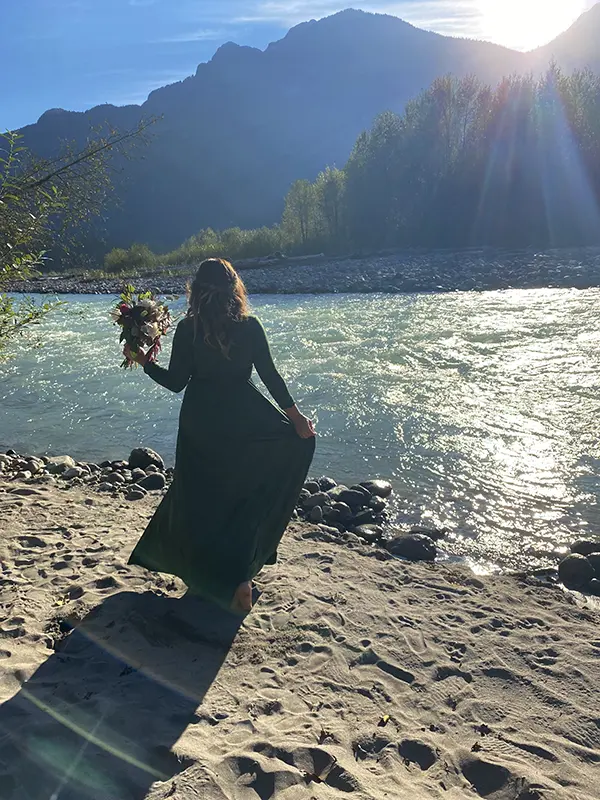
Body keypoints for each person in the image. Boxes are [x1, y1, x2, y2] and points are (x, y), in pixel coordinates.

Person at [125, 258, 316, 614]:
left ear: (196, 290)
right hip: (244, 418)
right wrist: (297, 419)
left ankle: (207, 578)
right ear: (235, 288)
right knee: (242, 501)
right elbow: (270, 377)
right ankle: (240, 578)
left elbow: (176, 383)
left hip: (200, 423)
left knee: (198, 500)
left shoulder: (188, 329)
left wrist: (144, 361)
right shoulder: (251, 326)